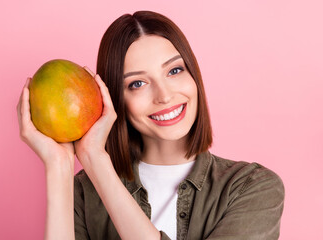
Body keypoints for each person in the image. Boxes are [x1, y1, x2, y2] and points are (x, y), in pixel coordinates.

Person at [17, 10, 284, 240]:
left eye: (174, 70)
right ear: (113, 99)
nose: (164, 95)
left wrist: (96, 161)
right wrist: (59, 166)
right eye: (137, 83)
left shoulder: (252, 187)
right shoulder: (83, 194)